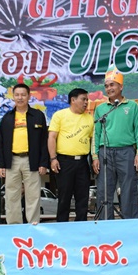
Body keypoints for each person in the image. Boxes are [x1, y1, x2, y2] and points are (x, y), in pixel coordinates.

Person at [92, 66, 138, 220]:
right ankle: (105, 223)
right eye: (106, 86)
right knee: (104, 189)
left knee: (128, 188)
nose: (109, 88)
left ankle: (130, 222)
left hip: (126, 152)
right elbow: (96, 133)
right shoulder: (101, 108)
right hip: (105, 153)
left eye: (112, 85)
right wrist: (95, 156)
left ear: (121, 86)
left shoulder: (132, 106)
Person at [0, 83, 49, 224]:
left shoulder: (38, 115)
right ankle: (14, 226)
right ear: (13, 97)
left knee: (33, 195)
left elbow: (44, 141)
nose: (20, 98)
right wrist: (1, 165)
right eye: (17, 95)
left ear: (29, 96)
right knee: (11, 195)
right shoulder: (7, 117)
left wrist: (43, 163)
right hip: (12, 160)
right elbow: (1, 143)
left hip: (31, 160)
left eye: (23, 95)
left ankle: (33, 224)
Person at [48, 88, 94, 222]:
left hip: (83, 162)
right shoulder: (60, 115)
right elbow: (52, 137)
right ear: (73, 100)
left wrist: (95, 159)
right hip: (64, 162)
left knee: (83, 197)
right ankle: (62, 226)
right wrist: (53, 158)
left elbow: (93, 140)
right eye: (83, 99)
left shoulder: (90, 118)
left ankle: (81, 226)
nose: (86, 102)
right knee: (64, 197)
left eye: (87, 100)